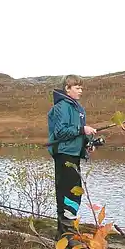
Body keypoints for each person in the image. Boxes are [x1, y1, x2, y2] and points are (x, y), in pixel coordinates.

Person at [47, 75, 97, 239]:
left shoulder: (78, 108)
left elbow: (79, 132)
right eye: (77, 88)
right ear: (67, 89)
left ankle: (65, 235)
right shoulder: (62, 107)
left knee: (74, 193)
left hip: (74, 154)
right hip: (64, 154)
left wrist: (88, 142)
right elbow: (60, 132)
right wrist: (82, 130)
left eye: (81, 88)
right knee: (67, 193)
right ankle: (66, 236)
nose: (80, 91)